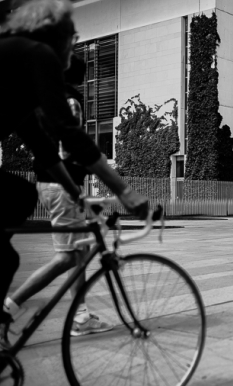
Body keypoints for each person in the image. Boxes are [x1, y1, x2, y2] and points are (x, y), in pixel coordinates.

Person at [0, 0, 148, 349]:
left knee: (14, 227)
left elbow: (43, 145)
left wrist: (80, 195)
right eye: (74, 35)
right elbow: (69, 134)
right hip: (55, 186)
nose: (76, 41)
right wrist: (125, 192)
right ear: (59, 34)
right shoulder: (37, 54)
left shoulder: (18, 63)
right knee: (19, 200)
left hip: (55, 184)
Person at [3, 55, 112, 337]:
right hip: (60, 185)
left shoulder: (48, 98)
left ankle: (81, 315)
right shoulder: (70, 100)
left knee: (79, 252)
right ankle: (10, 305)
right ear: (80, 78)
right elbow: (68, 147)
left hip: (54, 184)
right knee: (67, 257)